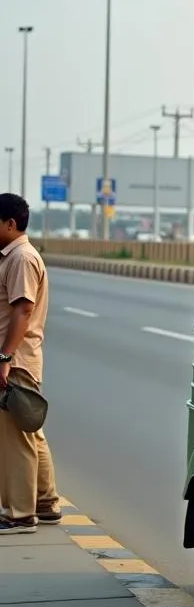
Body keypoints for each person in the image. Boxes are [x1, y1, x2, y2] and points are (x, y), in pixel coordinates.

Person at [0, 193, 60, 536]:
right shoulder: (14, 255)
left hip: (16, 359)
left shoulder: (21, 258)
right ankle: (46, 502)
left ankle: (21, 514)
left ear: (11, 224)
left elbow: (23, 310)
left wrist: (4, 358)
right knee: (29, 429)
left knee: (16, 437)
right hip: (19, 357)